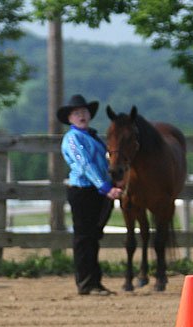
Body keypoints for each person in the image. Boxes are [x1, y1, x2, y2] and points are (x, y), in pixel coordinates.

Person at [58, 94, 123, 296]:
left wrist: (112, 182)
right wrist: (105, 187)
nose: (82, 115)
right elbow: (84, 165)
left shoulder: (90, 136)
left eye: (84, 112)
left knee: (92, 237)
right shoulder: (73, 138)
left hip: (93, 191)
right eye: (77, 113)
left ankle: (94, 281)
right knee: (85, 237)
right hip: (84, 190)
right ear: (70, 118)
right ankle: (86, 282)